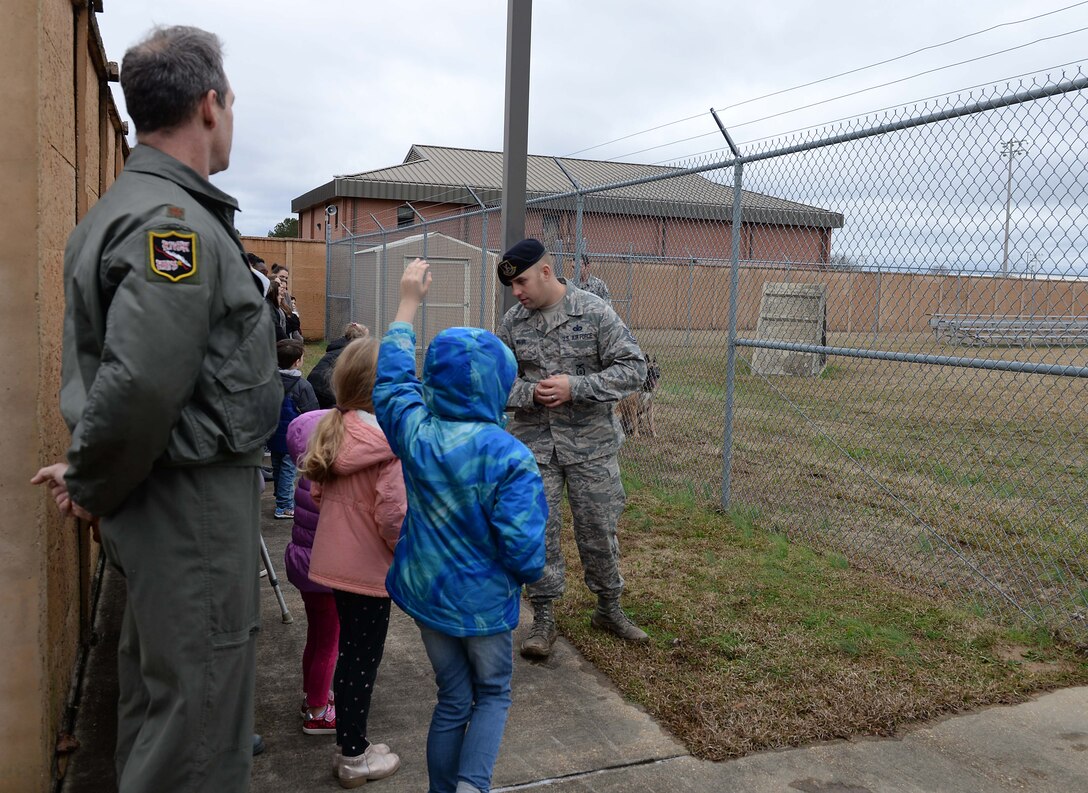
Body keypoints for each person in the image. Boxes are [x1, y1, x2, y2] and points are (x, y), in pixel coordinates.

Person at [30, 25, 281, 791]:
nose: (231, 116)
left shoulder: (134, 209)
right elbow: (142, 385)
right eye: (230, 102)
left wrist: (92, 469)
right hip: (191, 509)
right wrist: (93, 479)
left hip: (166, 502)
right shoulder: (173, 227)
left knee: (162, 705)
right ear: (209, 106)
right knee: (196, 735)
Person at [374, 258, 547, 793]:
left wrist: (407, 305)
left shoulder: (415, 432)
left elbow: (392, 382)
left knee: (452, 696)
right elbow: (524, 551)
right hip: (484, 605)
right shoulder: (511, 457)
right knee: (492, 692)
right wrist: (526, 573)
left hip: (427, 594)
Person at [496, 238, 649, 660]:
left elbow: (634, 368)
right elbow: (495, 383)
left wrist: (576, 387)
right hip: (536, 447)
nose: (517, 292)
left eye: (522, 281)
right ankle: (543, 616)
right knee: (539, 533)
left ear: (546, 271)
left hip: (591, 446)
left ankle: (609, 607)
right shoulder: (513, 323)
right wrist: (529, 394)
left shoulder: (594, 311)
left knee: (599, 528)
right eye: (512, 286)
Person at [301, 337, 406, 788]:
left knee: (350, 654)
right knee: (362, 660)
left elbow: (319, 493)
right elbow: (394, 515)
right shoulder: (388, 443)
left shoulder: (335, 428)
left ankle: (353, 741)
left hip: (334, 565)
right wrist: (402, 549)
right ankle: (353, 755)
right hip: (368, 571)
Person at [282, 407, 340, 735]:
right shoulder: (331, 479)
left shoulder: (308, 473)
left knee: (316, 636)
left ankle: (312, 696)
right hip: (326, 570)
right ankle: (318, 712)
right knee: (330, 641)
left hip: (304, 566)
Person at [270, 338, 320, 519]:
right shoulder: (302, 386)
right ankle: (284, 506)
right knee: (288, 470)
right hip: (292, 437)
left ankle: (280, 498)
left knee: (277, 467)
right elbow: (312, 412)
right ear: (297, 361)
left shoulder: (268, 380)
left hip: (272, 433)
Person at [308, 322, 370, 408]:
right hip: (328, 390)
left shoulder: (337, 346)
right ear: (361, 339)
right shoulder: (353, 352)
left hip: (312, 384)